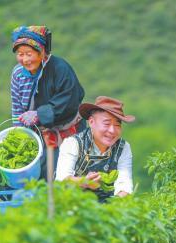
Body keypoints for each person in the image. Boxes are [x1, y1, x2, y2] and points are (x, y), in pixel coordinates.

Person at [10, 25, 85, 179]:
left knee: (65, 174)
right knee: (36, 176)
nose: (24, 59)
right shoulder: (17, 74)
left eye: (29, 54)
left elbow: (69, 100)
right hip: (38, 134)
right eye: (20, 54)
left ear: (42, 52)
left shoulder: (60, 68)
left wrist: (39, 114)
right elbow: (17, 107)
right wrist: (19, 135)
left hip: (68, 132)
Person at [56, 96, 135, 202]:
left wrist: (114, 207)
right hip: (73, 204)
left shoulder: (123, 147)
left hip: (109, 208)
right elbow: (62, 181)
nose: (112, 130)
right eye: (107, 124)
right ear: (91, 122)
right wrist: (83, 182)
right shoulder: (73, 143)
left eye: (117, 125)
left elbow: (124, 184)